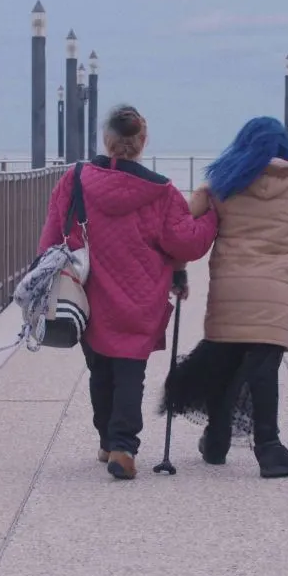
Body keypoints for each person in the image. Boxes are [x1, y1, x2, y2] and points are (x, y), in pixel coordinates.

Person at [37, 105, 217, 480]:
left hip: (87, 294)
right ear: (142, 141)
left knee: (99, 368)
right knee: (130, 369)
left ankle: (107, 438)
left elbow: (52, 235)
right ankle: (123, 446)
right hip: (140, 296)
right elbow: (185, 242)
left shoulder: (75, 179)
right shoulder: (161, 191)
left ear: (106, 139)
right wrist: (211, 215)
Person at [159, 116, 288, 478]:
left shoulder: (222, 182)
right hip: (273, 293)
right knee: (264, 366)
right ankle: (269, 446)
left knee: (224, 365)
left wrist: (177, 269)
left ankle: (216, 439)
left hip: (230, 289)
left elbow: (185, 228)